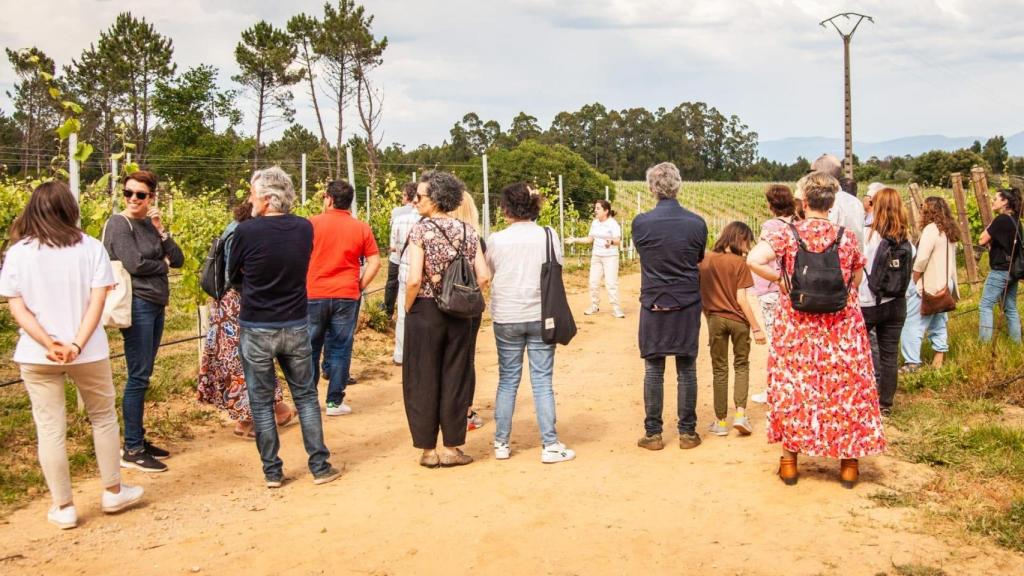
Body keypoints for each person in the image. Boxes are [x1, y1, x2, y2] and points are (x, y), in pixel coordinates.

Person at [0, 181, 144, 529]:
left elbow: (16, 307)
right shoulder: (90, 247)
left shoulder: (19, 252)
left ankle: (63, 506)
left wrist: (50, 344)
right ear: (71, 209)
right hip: (88, 351)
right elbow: (98, 301)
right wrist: (77, 343)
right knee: (102, 417)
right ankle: (112, 490)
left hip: (38, 355)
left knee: (50, 428)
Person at [747, 171, 885, 488]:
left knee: (795, 388)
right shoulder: (847, 237)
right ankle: (849, 465)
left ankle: (790, 462)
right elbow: (858, 277)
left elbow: (753, 260)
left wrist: (785, 284)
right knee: (845, 390)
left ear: (804, 202)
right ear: (831, 202)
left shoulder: (786, 235)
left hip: (797, 326)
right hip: (840, 326)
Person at [229, 166, 342, 488]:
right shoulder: (304, 228)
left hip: (257, 325)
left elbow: (233, 276)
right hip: (294, 323)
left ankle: (272, 471)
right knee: (306, 396)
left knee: (262, 401)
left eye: (252, 194)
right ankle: (320, 466)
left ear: (266, 199)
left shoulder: (245, 232)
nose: (249, 200)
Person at [402, 171, 491, 468]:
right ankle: (452, 448)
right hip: (459, 314)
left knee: (422, 378)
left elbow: (414, 279)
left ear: (437, 198)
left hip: (425, 311)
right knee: (456, 376)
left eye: (420, 196)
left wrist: (407, 307)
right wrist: (462, 297)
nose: (416, 200)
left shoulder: (420, 231)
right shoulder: (467, 231)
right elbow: (484, 275)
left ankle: (428, 450)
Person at [487, 183, 576, 463]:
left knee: (507, 380)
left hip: (506, 316)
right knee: (542, 381)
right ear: (534, 206)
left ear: (506, 209)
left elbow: (488, 271)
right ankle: (549, 444)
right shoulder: (548, 235)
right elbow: (557, 265)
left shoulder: (496, 239)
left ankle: (501, 442)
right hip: (541, 314)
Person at [102, 170, 184, 473]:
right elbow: (134, 263)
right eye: (128, 193)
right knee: (138, 375)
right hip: (137, 305)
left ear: (152, 197)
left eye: (140, 194)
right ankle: (132, 448)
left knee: (145, 373)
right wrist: (160, 264)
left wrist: (161, 230)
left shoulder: (149, 225)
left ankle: (139, 439)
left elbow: (178, 259)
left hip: (155, 303)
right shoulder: (118, 224)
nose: (133, 199)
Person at [197, 201, 296, 438]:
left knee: (245, 358)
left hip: (225, 304)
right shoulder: (246, 233)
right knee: (245, 361)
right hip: (241, 303)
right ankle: (247, 421)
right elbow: (242, 273)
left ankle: (279, 410)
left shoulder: (232, 228)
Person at [632, 162, 707, 451]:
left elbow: (644, 253)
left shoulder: (641, 223)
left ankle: (653, 433)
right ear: (678, 186)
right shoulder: (696, 223)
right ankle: (687, 432)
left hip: (654, 302)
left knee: (654, 368)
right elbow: (698, 258)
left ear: (652, 188)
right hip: (687, 301)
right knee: (686, 368)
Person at [307, 180, 381, 416]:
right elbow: (375, 262)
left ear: (328, 198)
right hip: (346, 295)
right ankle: (334, 402)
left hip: (314, 293)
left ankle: (308, 401)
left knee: (310, 348)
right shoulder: (360, 228)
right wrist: (359, 285)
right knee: (340, 347)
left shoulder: (311, 224)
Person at [699, 222, 765, 437]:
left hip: (715, 318)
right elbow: (742, 300)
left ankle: (720, 422)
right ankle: (740, 415)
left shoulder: (705, 260)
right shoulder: (740, 263)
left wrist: (708, 315)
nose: (748, 245)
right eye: (747, 240)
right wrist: (756, 328)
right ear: (739, 238)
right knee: (741, 365)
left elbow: (699, 295)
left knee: (719, 369)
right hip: (738, 320)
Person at [859, 188, 910, 415]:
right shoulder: (905, 238)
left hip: (869, 301)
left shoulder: (867, 235)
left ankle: (862, 395)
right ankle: (885, 403)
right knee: (890, 354)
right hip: (897, 302)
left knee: (860, 352)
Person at [900, 197, 960, 373]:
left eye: (922, 208)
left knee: (912, 323)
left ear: (929, 211)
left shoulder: (931, 230)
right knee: (939, 321)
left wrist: (914, 278)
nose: (920, 211)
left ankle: (912, 362)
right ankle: (938, 359)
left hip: (928, 284)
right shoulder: (948, 230)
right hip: (945, 282)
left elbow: (922, 258)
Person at [750, 184, 797, 404]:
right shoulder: (798, 224)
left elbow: (759, 259)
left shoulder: (770, 226)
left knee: (776, 342)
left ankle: (776, 390)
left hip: (772, 289)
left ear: (771, 205)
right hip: (795, 289)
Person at [446, 190, 486, 432]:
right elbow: (484, 276)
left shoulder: (437, 235)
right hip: (468, 306)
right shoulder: (475, 239)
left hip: (440, 304)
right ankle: (466, 411)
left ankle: (445, 409)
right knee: (466, 357)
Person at [566, 200, 624, 318]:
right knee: (593, 282)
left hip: (610, 257)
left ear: (606, 211)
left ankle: (616, 308)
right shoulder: (595, 223)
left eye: (598, 208)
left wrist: (611, 242)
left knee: (611, 283)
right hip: (596, 256)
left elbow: (618, 241)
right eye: (595, 208)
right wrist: (575, 239)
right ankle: (594, 305)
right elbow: (589, 239)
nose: (595, 210)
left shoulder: (613, 224)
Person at [979, 188, 1022, 343]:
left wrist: (991, 223)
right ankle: (1016, 343)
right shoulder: (1015, 220)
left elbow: (982, 239)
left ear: (1005, 202)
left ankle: (984, 344)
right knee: (1010, 307)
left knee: (985, 305)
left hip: (999, 270)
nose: (992, 200)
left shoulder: (1001, 220)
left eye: (996, 198)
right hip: (1012, 271)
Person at [392, 183, 421, 366]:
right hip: (424, 274)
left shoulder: (399, 220)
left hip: (404, 272)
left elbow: (394, 248)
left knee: (403, 314)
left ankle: (400, 355)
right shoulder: (429, 222)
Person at [812, 154, 865, 249]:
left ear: (821, 175)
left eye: (812, 173)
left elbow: (824, 239)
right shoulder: (856, 202)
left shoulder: (829, 202)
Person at [384, 190, 416, 317]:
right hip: (414, 262)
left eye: (403, 195)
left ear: (408, 197)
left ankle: (388, 311)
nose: (402, 197)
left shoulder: (397, 212)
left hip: (396, 257)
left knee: (392, 283)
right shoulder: (425, 215)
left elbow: (393, 242)